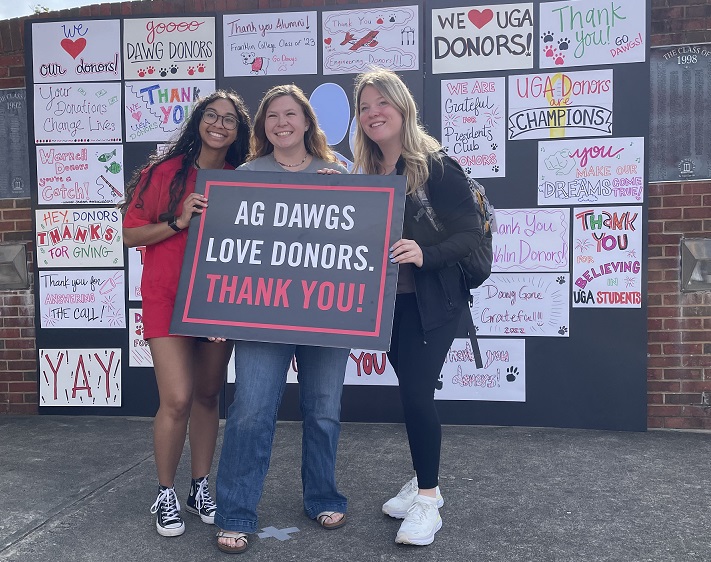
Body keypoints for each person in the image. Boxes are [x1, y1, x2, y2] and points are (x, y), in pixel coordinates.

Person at [214, 84, 350, 554]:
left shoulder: (341, 171)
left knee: (324, 410)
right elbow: (227, 251)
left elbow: (369, 239)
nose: (281, 123)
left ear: (308, 122)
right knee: (250, 410)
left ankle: (322, 496)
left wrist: (348, 192)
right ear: (263, 126)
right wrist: (216, 307)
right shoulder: (246, 174)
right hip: (261, 313)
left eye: (290, 114)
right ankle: (235, 511)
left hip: (329, 312)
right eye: (272, 116)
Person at [352, 68, 484, 546]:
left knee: (416, 394)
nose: (372, 114)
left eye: (381, 103)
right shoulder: (367, 174)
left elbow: (470, 234)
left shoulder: (437, 165)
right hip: (390, 305)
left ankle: (428, 499)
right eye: (364, 107)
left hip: (436, 301)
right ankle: (421, 479)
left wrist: (425, 253)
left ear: (403, 107)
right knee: (411, 392)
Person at [120, 90, 251, 537]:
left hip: (218, 300)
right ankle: (165, 491)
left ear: (239, 131)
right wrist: (178, 220)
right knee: (176, 398)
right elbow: (129, 235)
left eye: (229, 119)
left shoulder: (242, 178)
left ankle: (199, 486)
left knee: (209, 395)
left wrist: (230, 307)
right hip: (166, 297)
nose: (219, 124)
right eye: (211, 115)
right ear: (198, 121)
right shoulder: (165, 173)